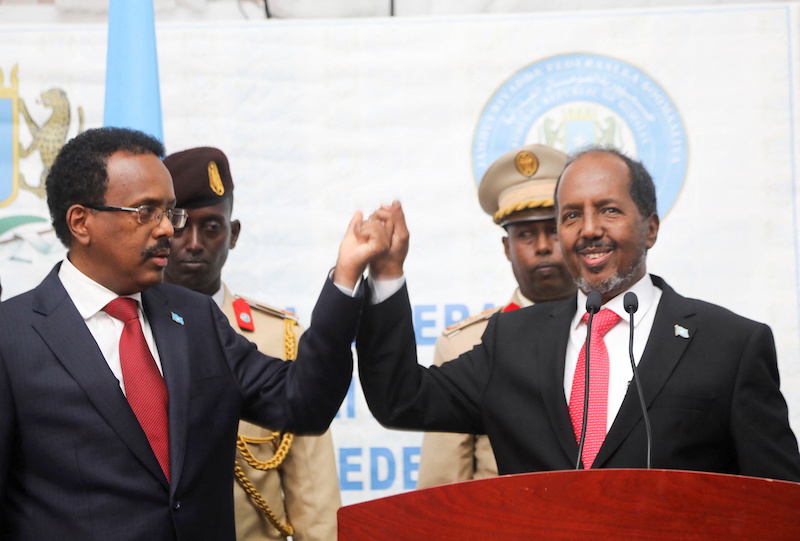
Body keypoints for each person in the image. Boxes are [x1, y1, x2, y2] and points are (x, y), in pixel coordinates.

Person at [0, 127, 389, 540]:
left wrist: (345, 277)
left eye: (169, 211)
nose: (167, 228)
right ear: (81, 222)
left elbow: (304, 402)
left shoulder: (196, 317)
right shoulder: (12, 337)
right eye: (145, 211)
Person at [356, 147, 800, 482]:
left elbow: (779, 500)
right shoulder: (509, 340)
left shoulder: (731, 345)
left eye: (608, 210)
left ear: (650, 227)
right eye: (570, 216)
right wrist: (388, 274)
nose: (588, 229)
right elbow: (400, 398)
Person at [162, 147, 339, 540]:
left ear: (234, 233)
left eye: (211, 227)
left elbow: (314, 496)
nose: (193, 243)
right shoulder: (125, 332)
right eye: (180, 226)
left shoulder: (280, 341)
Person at [417, 144, 576, 488]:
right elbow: (444, 484)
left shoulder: (620, 330)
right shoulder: (468, 344)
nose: (543, 246)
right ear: (507, 249)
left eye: (552, 229)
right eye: (525, 234)